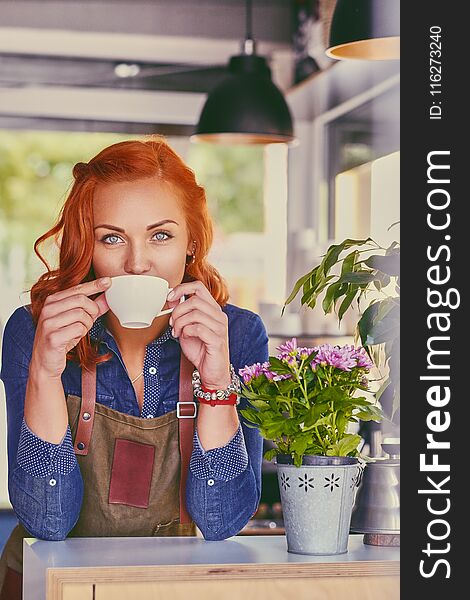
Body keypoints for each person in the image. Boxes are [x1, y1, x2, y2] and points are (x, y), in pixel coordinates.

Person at [0, 137, 268, 599]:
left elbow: (222, 520)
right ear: (87, 245)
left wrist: (218, 382)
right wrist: (45, 372)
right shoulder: (35, 329)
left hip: (175, 589)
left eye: (160, 235)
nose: (137, 263)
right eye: (112, 237)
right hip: (53, 587)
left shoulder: (236, 333)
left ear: (192, 243)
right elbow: (46, 521)